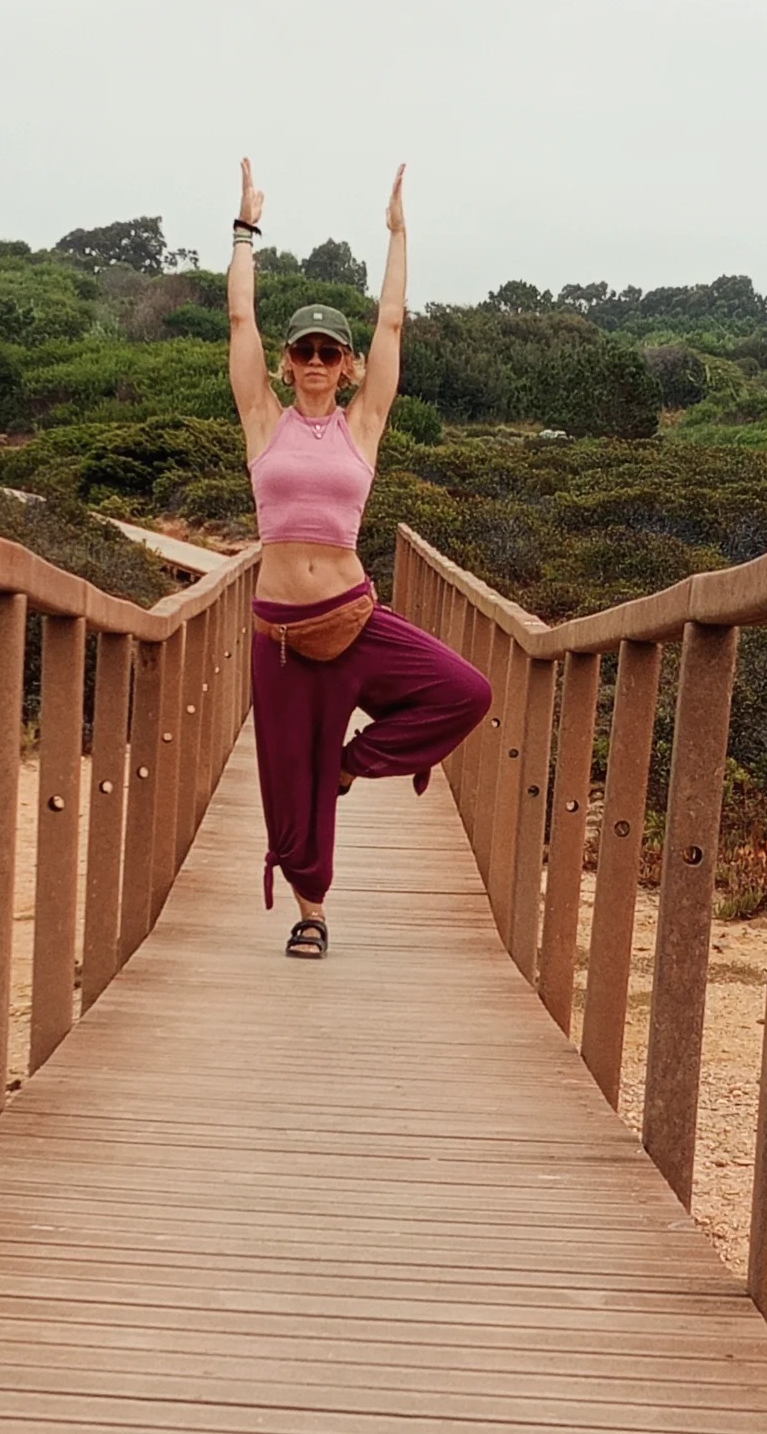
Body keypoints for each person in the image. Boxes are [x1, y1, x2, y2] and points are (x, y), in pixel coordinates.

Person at [227, 159, 492, 959]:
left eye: (329, 352)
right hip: (281, 635)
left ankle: (352, 764)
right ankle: (310, 913)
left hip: (353, 620)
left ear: (347, 366)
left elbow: (393, 325)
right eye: (304, 350)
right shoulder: (262, 418)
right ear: (287, 362)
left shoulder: (363, 425)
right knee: (287, 781)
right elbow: (239, 321)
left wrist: (399, 235)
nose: (316, 361)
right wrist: (244, 230)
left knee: (465, 692)